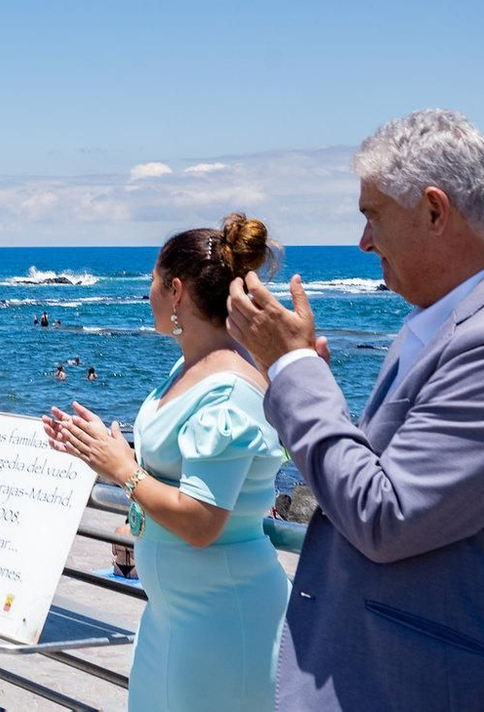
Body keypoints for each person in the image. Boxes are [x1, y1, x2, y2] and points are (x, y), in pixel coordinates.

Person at [225, 110, 484, 711]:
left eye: (373, 215)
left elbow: (385, 515)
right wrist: (299, 380)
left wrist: (294, 371)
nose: (364, 241)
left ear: (433, 210)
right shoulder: (446, 322)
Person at [44, 213, 289, 712]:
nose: (147, 295)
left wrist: (122, 469)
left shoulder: (227, 390)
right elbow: (178, 471)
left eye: (152, 284)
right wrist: (106, 452)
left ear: (176, 291)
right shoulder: (188, 367)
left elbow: (202, 520)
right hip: (174, 613)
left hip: (223, 620)